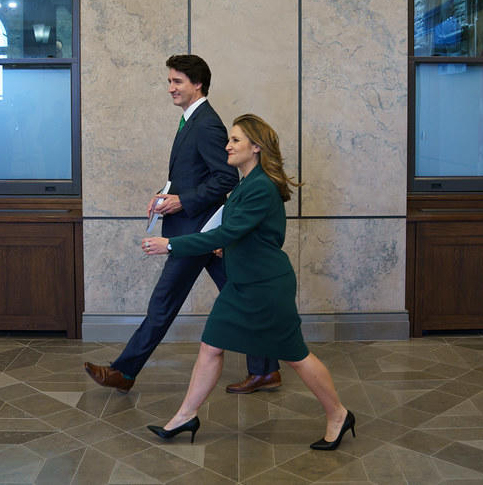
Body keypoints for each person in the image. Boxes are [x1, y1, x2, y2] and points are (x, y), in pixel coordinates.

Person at [140, 114, 355, 450]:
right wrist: (227, 246)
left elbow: (227, 232)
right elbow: (247, 233)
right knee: (211, 346)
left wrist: (171, 245)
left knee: (296, 356)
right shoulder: (246, 184)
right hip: (242, 285)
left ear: (256, 147)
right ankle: (185, 416)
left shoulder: (260, 187)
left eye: (235, 140)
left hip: (265, 287)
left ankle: (339, 414)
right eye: (229, 139)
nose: (227, 146)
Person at [84, 56, 280, 393]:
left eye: (177, 82)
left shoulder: (206, 124)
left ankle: (124, 372)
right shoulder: (192, 120)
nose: (170, 88)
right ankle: (265, 370)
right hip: (200, 232)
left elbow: (224, 178)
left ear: (198, 84)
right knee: (242, 294)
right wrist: (165, 194)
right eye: (170, 81)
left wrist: (182, 201)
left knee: (163, 303)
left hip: (196, 235)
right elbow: (192, 175)